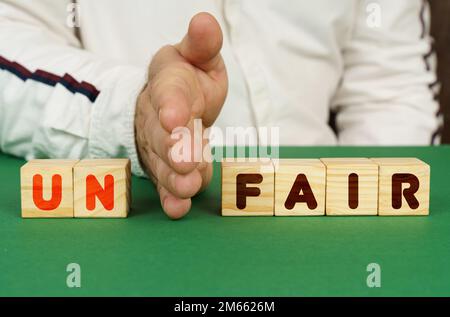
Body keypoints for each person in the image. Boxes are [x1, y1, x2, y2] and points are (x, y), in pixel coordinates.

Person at [0, 0, 439, 219]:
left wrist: (375, 208)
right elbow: (10, 37)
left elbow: (390, 88)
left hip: (324, 222)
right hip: (143, 215)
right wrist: (133, 113)